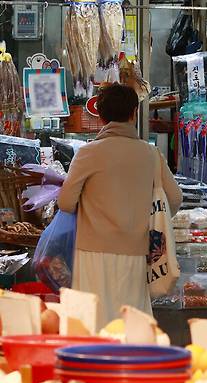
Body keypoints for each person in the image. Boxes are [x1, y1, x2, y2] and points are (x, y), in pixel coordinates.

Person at [58, 83, 182, 327]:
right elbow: (175, 198)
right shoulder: (150, 154)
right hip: (135, 254)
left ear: (101, 115)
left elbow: (65, 203)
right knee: (131, 327)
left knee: (91, 326)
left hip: (91, 254)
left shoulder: (88, 153)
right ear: (133, 113)